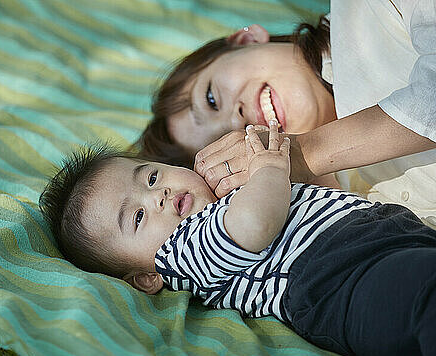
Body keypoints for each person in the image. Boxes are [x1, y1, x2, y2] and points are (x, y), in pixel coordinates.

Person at [39, 121, 436, 356]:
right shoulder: (180, 253)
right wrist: (269, 167)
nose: (157, 196)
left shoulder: (226, 199)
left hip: (389, 242)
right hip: (342, 282)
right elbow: (254, 225)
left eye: (151, 176)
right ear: (147, 277)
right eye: (137, 218)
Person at [138, 0, 436, 229]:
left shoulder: (371, 10)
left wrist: (305, 151)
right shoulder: (336, 212)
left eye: (212, 99)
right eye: (223, 142)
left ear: (246, 41)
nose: (235, 122)